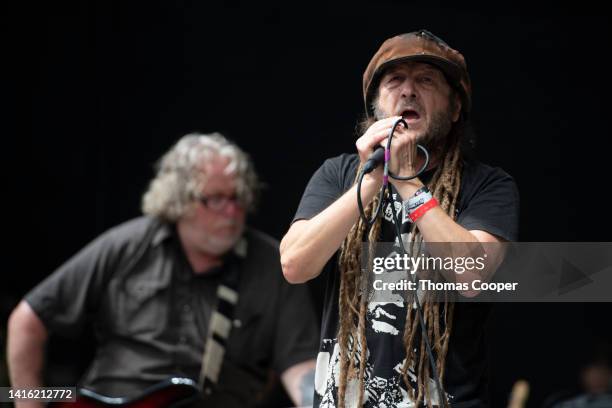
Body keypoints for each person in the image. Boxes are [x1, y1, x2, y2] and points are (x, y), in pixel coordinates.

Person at [281, 30, 519, 407]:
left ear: (455, 108)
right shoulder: (339, 175)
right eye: (395, 81)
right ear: (376, 106)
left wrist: (407, 181)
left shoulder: (487, 184)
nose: (408, 91)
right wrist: (372, 179)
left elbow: (472, 274)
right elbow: (295, 265)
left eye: (425, 80)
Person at [8, 133, 318, 408]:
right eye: (215, 199)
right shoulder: (127, 245)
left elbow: (300, 365)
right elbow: (27, 319)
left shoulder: (275, 264)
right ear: (178, 200)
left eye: (238, 198)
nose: (232, 211)